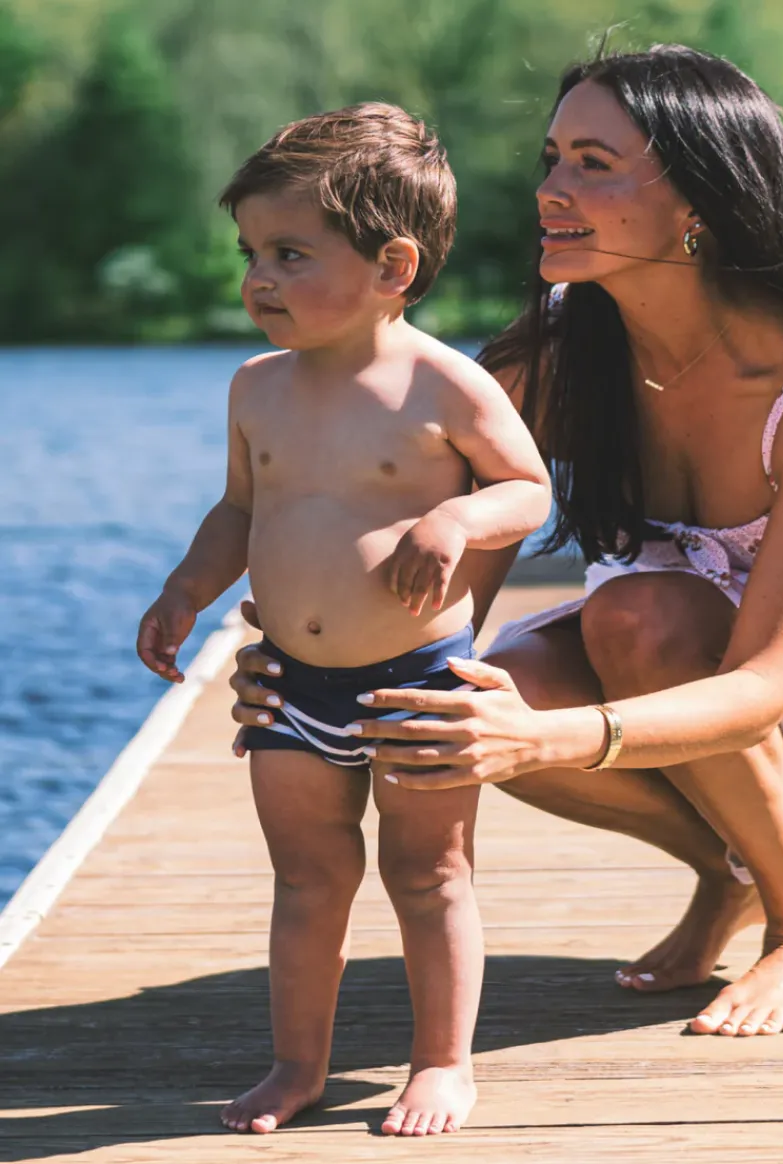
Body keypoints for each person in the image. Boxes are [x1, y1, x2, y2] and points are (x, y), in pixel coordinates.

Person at [231, 47, 783, 1044]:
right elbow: (434, 597)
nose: (550, 191)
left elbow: (769, 682)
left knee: (635, 620)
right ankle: (728, 873)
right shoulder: (555, 357)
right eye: (551, 158)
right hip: (691, 634)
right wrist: (315, 670)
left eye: (594, 163)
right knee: (469, 697)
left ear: (700, 196)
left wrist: (547, 736)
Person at [136, 103, 551, 1138]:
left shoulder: (440, 382)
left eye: (288, 253)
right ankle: (296, 1065)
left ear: (394, 267)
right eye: (249, 254)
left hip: (415, 675)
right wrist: (186, 589)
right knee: (306, 878)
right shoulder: (255, 388)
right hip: (291, 683)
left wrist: (457, 515)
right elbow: (242, 510)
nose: (258, 279)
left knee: (430, 871)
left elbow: (529, 492)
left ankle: (443, 1063)